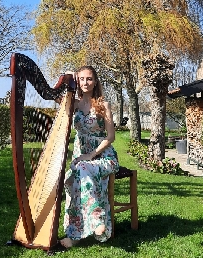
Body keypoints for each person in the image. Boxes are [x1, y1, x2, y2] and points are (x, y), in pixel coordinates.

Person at [58, 66, 119, 250]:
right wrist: (66, 77)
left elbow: (110, 137)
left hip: (104, 157)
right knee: (75, 174)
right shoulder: (74, 104)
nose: (85, 83)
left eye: (89, 79)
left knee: (82, 169)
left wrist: (91, 155)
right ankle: (78, 232)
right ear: (77, 81)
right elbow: (54, 96)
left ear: (95, 82)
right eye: (81, 79)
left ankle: (93, 221)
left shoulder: (104, 105)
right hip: (81, 159)